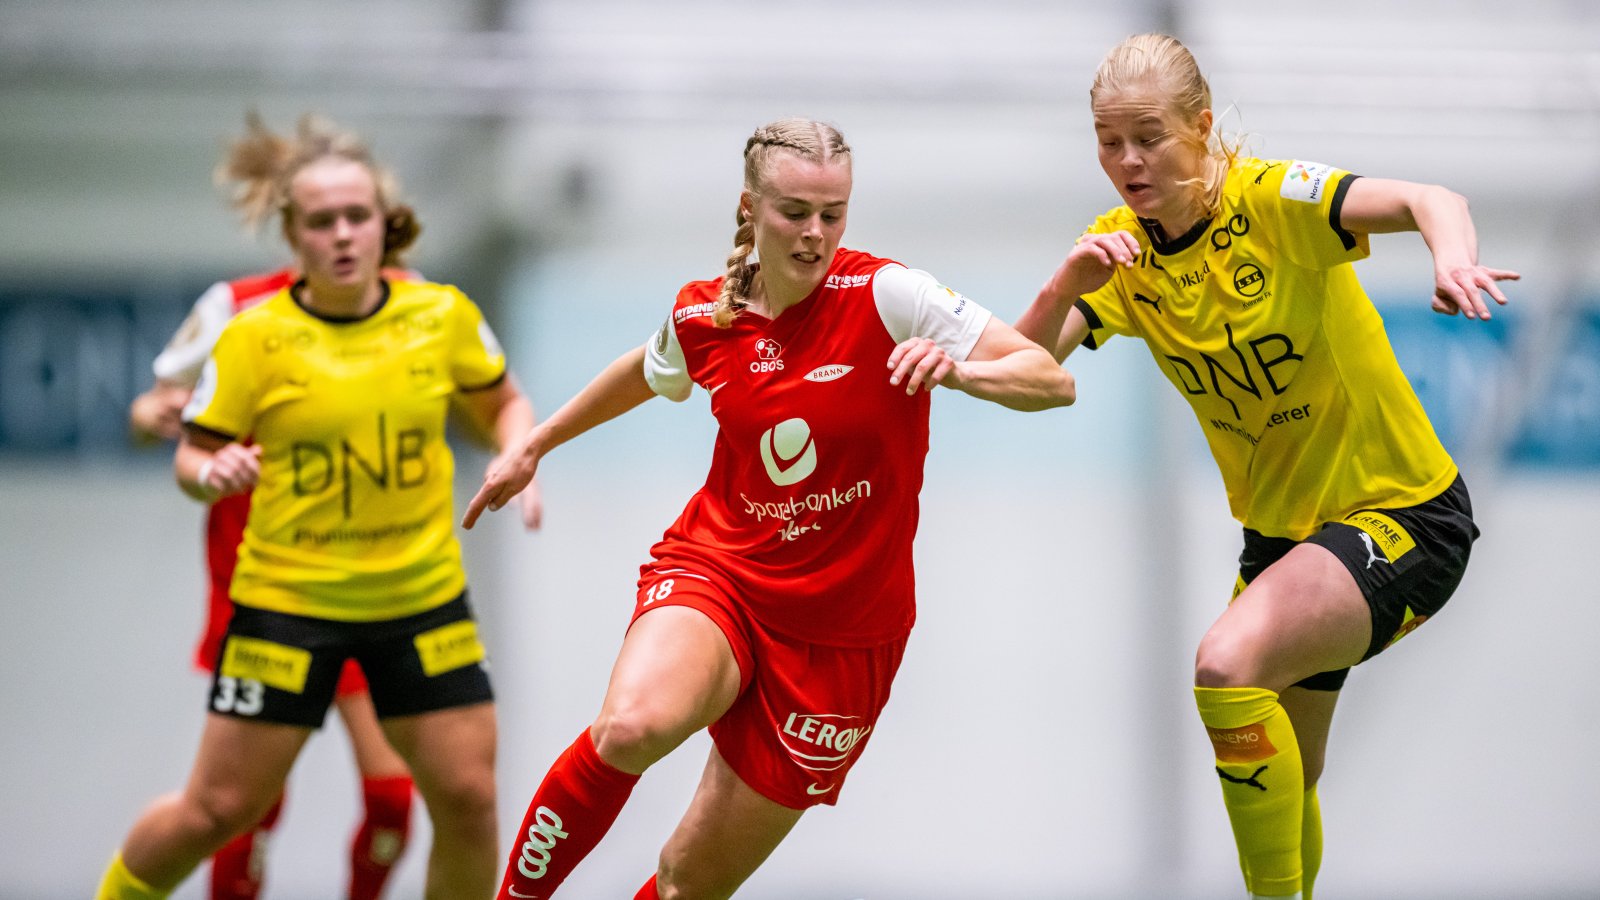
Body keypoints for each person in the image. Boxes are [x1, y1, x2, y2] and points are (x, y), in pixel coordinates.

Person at [462, 117, 1076, 899]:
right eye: (794, 212)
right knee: (632, 725)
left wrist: (961, 373)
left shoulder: (892, 294)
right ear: (750, 208)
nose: (815, 234)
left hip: (844, 636)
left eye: (833, 213)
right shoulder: (708, 313)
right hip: (719, 573)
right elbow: (647, 368)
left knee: (689, 880)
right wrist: (537, 442)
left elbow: (1052, 380)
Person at [1014, 33, 1518, 900]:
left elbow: (1434, 198)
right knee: (1291, 779)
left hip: (1406, 515)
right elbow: (1021, 376)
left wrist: (1452, 257)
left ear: (1201, 127)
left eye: (1149, 136)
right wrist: (1064, 285)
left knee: (1224, 663)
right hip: (1285, 542)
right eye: (1108, 140)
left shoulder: (1274, 200)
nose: (1127, 161)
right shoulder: (1118, 253)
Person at [97, 113, 538, 900]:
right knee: (228, 810)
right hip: (284, 600)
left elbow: (503, 402)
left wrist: (521, 454)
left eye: (357, 217)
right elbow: (180, 438)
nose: (342, 235)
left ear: (386, 225)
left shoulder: (436, 314)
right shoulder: (245, 323)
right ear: (291, 233)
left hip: (417, 604)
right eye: (322, 221)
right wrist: (201, 457)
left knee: (451, 800)